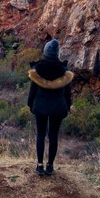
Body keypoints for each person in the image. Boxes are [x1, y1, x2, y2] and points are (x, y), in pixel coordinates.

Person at [27, 39, 73, 176]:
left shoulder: (38, 69)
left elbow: (32, 90)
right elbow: (68, 93)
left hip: (41, 106)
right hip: (58, 107)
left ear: (46, 52)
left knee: (41, 134)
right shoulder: (64, 70)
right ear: (57, 53)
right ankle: (50, 166)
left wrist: (30, 105)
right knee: (53, 136)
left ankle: (39, 166)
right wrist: (68, 107)